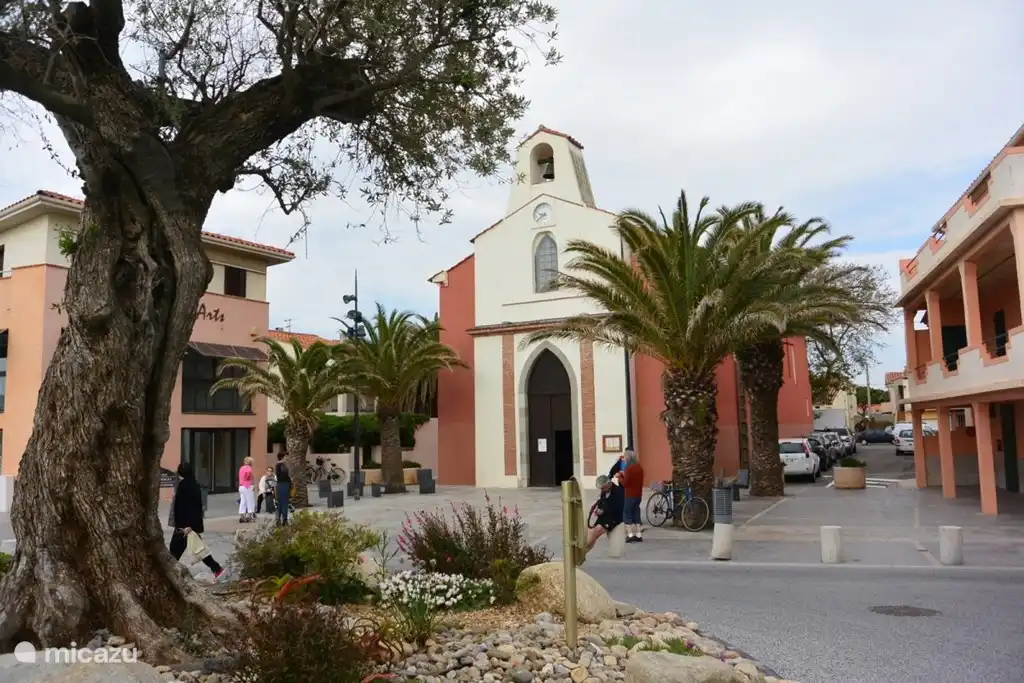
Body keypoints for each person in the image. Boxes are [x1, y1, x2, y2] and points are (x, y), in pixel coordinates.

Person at [169, 462, 226, 580]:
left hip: (184, 526)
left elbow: (186, 507)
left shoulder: (185, 486)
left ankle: (169, 574)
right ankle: (217, 569)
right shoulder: (194, 484)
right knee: (198, 549)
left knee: (175, 551)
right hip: (189, 524)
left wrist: (189, 526)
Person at [587, 471, 625, 550]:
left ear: (609, 484)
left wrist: (603, 510)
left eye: (603, 488)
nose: (602, 490)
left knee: (594, 532)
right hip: (603, 517)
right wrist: (598, 509)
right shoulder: (604, 491)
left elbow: (618, 508)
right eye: (601, 488)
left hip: (613, 518)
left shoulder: (618, 492)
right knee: (592, 532)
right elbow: (602, 502)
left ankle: (584, 550)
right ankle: (585, 550)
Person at [621, 451, 644, 542]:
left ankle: (630, 535)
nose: (624, 459)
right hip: (638, 495)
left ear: (628, 457)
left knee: (627, 514)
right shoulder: (639, 467)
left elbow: (625, 484)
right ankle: (639, 535)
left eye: (625, 457)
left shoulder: (628, 468)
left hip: (630, 495)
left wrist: (620, 478)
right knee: (636, 514)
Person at [274, 451, 291, 526]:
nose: (287, 458)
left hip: (281, 485)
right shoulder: (281, 465)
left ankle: (279, 519)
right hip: (283, 485)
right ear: (283, 457)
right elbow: (284, 476)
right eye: (286, 456)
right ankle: (284, 519)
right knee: (284, 503)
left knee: (280, 503)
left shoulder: (279, 465)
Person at [238, 457, 256, 523]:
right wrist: (252, 483)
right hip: (247, 486)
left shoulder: (241, 468)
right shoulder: (249, 468)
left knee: (243, 501)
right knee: (250, 500)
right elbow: (248, 476)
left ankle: (242, 515)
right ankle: (250, 516)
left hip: (241, 486)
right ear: (250, 462)